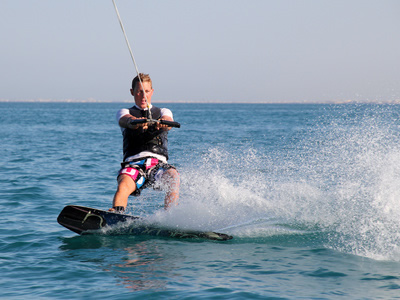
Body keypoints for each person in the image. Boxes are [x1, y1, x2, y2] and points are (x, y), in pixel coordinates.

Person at [110, 73, 180, 213]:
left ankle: (171, 217)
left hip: (158, 166)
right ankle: (116, 214)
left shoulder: (163, 111)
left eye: (146, 91)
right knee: (124, 184)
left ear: (152, 92)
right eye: (139, 91)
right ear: (132, 92)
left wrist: (163, 124)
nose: (143, 96)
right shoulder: (124, 111)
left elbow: (169, 121)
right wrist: (136, 123)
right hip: (134, 165)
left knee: (174, 176)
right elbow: (125, 120)